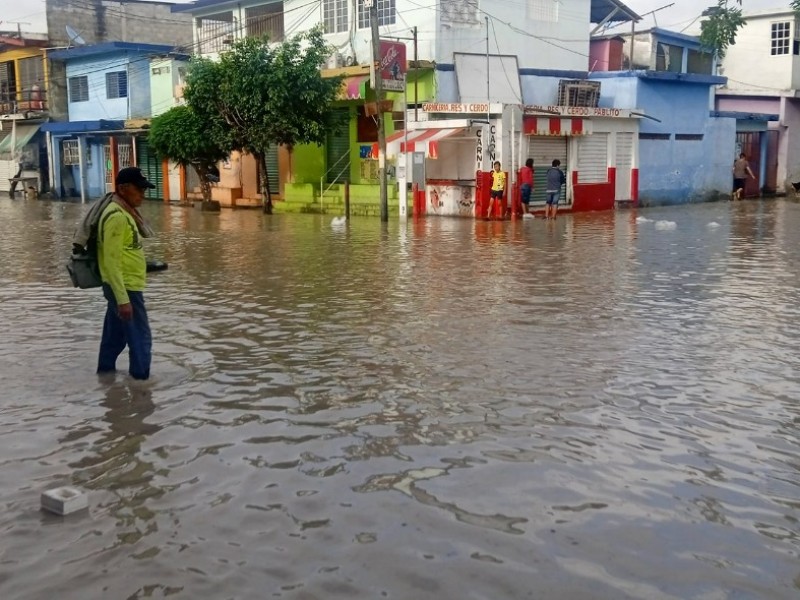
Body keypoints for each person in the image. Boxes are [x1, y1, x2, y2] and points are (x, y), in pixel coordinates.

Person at [97, 167, 156, 380]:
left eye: (144, 190)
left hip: (123, 285)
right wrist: (123, 299)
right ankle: (141, 385)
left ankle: (105, 377)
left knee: (115, 336)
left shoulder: (124, 212)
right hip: (125, 288)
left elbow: (125, 252)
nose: (142, 194)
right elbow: (110, 262)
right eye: (138, 189)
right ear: (123, 189)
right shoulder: (117, 217)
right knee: (140, 337)